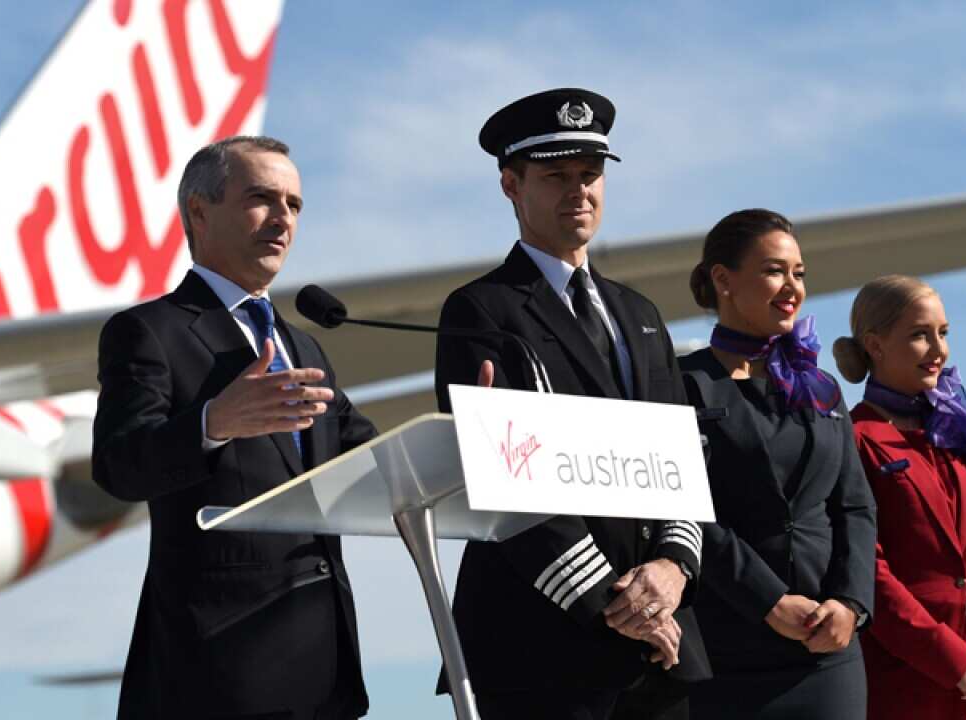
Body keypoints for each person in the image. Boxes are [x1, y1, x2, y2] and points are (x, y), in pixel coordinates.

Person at [432, 88, 709, 719]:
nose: (578, 191)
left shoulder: (639, 315)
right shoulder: (480, 311)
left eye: (590, 175)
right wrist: (615, 605)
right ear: (511, 185)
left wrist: (671, 569)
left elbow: (680, 460)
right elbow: (506, 482)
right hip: (542, 646)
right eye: (555, 175)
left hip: (658, 645)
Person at [93, 136, 376, 719]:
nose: (283, 219)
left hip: (324, 673)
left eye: (294, 205)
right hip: (216, 674)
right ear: (199, 210)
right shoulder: (150, 331)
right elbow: (119, 466)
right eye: (262, 198)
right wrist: (212, 422)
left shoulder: (302, 343)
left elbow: (368, 455)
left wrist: (463, 430)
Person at [677, 209, 876, 718]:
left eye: (799, 274)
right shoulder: (681, 384)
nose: (792, 288)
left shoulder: (822, 388)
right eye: (774, 271)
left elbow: (854, 507)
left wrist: (851, 605)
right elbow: (688, 514)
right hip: (726, 647)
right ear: (723, 279)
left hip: (826, 652)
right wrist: (767, 600)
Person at [833, 274, 966, 719]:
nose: (939, 350)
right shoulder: (854, 437)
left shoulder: (958, 436)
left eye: (943, 333)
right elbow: (868, 571)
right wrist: (951, 658)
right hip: (910, 680)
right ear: (876, 345)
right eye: (920, 335)